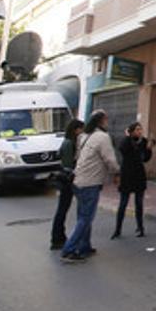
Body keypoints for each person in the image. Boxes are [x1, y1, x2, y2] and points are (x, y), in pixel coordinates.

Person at [61, 110, 119, 264]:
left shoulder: (83, 136)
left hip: (78, 180)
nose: (108, 122)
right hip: (90, 182)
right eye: (106, 119)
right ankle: (69, 249)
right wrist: (117, 172)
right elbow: (110, 159)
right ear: (102, 121)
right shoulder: (102, 137)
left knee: (83, 215)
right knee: (86, 218)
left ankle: (85, 246)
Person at [112, 122, 155, 239]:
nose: (139, 132)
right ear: (131, 131)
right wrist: (127, 137)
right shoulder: (126, 141)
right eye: (137, 130)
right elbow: (123, 149)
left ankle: (140, 227)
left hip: (139, 175)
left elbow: (145, 158)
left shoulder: (143, 141)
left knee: (139, 204)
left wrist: (149, 149)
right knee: (123, 203)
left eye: (141, 129)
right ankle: (117, 229)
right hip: (127, 174)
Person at [50, 118, 84, 250]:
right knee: (62, 209)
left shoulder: (66, 142)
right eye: (81, 129)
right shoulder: (70, 144)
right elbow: (69, 165)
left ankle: (58, 236)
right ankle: (57, 237)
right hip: (67, 180)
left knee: (62, 209)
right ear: (76, 130)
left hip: (64, 179)